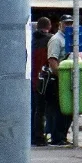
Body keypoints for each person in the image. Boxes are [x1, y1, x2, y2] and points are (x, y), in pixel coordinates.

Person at [47, 15, 73, 146]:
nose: (69, 26)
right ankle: (57, 137)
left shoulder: (70, 39)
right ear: (60, 24)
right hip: (60, 78)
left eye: (70, 23)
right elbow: (52, 60)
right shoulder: (56, 40)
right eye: (66, 23)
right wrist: (60, 76)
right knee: (60, 108)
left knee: (69, 108)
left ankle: (63, 135)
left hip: (69, 77)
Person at [30, 17, 54, 146]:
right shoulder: (50, 39)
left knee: (34, 108)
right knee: (42, 110)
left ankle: (33, 135)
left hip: (31, 78)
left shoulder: (31, 39)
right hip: (44, 79)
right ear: (49, 26)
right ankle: (39, 136)